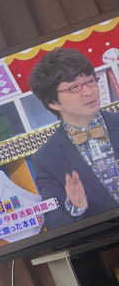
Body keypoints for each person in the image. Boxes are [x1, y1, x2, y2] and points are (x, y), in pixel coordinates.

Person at [29, 48, 119, 230]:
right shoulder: (46, 158)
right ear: (52, 102)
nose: (89, 92)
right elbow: (54, 222)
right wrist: (75, 207)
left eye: (91, 81)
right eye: (75, 87)